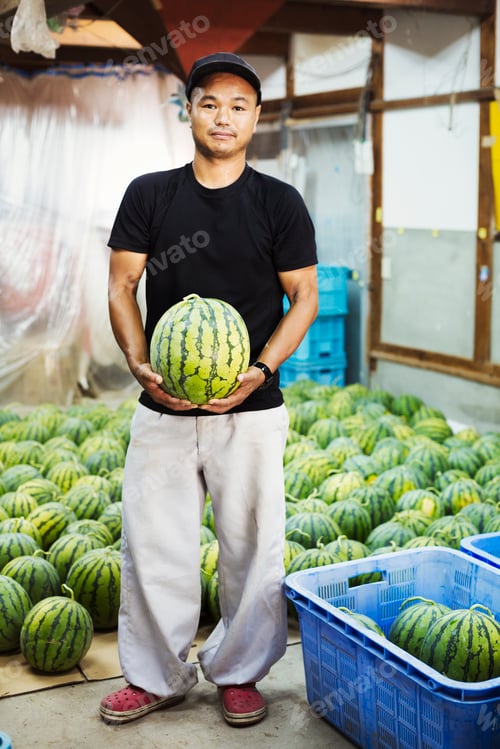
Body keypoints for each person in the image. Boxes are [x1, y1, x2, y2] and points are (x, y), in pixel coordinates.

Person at [99, 51, 318, 728]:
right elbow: (120, 285)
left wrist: (262, 368)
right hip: (162, 404)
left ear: (257, 116)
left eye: (239, 105)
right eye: (210, 103)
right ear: (188, 110)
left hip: (250, 408)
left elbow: (304, 296)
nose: (224, 116)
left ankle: (240, 671)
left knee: (254, 546)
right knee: (154, 542)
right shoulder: (149, 194)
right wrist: (139, 363)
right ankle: (155, 675)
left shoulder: (279, 202)